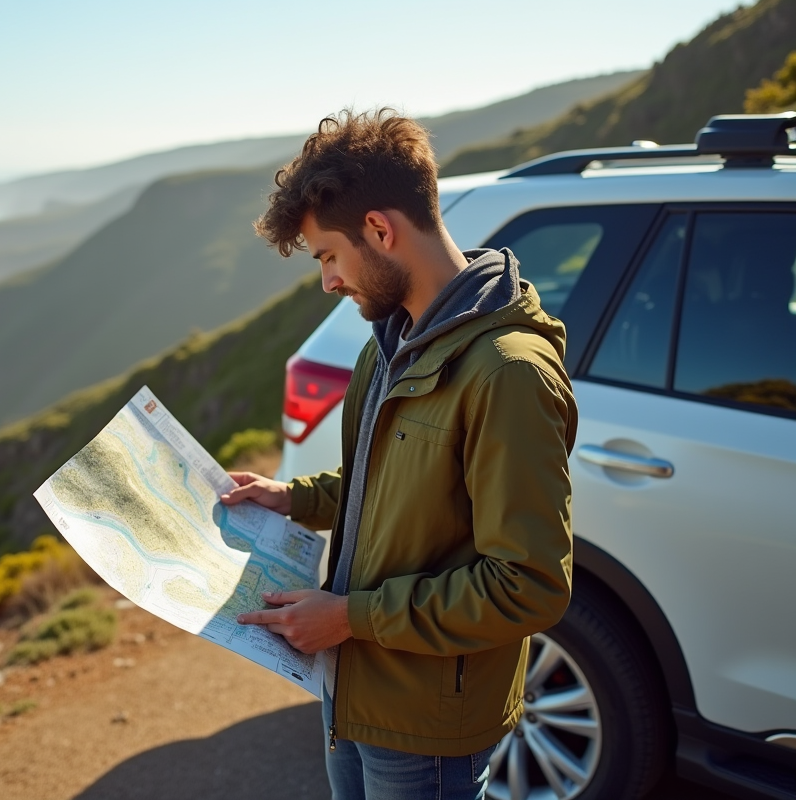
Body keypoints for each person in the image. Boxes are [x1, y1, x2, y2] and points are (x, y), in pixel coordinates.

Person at [220, 109, 577, 800]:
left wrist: (350, 615)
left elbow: (529, 586)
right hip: (354, 685)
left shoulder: (507, 372)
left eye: (328, 256)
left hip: (424, 722)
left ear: (381, 230)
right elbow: (387, 486)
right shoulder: (391, 340)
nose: (327, 280)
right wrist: (293, 498)